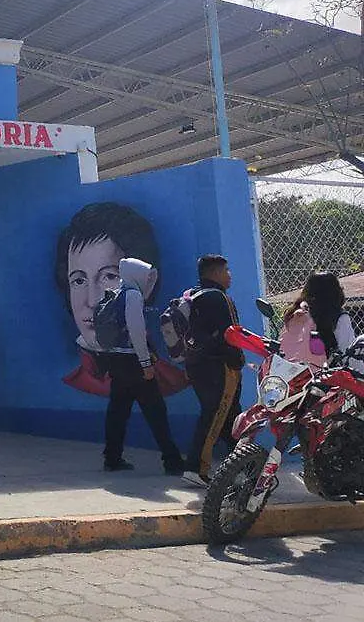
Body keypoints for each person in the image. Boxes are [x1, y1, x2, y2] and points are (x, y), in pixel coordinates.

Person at [56, 203, 188, 397]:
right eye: (79, 280)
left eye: (109, 276)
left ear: (147, 282)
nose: (92, 301)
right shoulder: (72, 381)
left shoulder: (172, 382)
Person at [98, 258, 185, 474]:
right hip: (134, 362)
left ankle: (112, 458)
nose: (148, 281)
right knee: (156, 411)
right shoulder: (133, 296)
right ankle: (172, 461)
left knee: (118, 412)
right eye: (146, 276)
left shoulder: (117, 294)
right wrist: (146, 363)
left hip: (116, 360)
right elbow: (136, 331)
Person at [182, 255, 244, 487]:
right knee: (215, 415)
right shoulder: (219, 297)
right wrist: (237, 362)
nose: (230, 275)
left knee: (231, 416)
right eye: (226, 270)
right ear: (216, 273)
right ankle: (196, 468)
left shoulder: (191, 295)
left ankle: (241, 467)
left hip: (196, 364)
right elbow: (232, 335)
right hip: (219, 367)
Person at [280, 272, 357, 365]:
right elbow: (349, 353)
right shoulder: (339, 317)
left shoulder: (295, 314)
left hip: (287, 369)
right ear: (337, 292)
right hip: (321, 371)